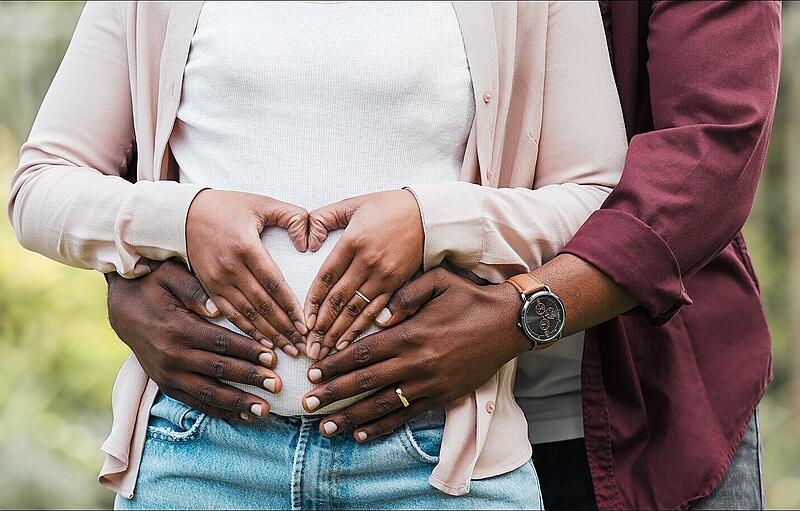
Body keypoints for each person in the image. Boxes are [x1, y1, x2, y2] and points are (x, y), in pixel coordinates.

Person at [99, 1, 781, 510]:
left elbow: (712, 155)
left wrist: (517, 316)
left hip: (633, 406)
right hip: (402, 432)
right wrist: (130, 282)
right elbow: (168, 123)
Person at [8, 2, 630, 510]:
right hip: (199, 456)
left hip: (439, 463)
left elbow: (599, 199)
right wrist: (183, 218)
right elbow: (40, 186)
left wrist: (433, 219)